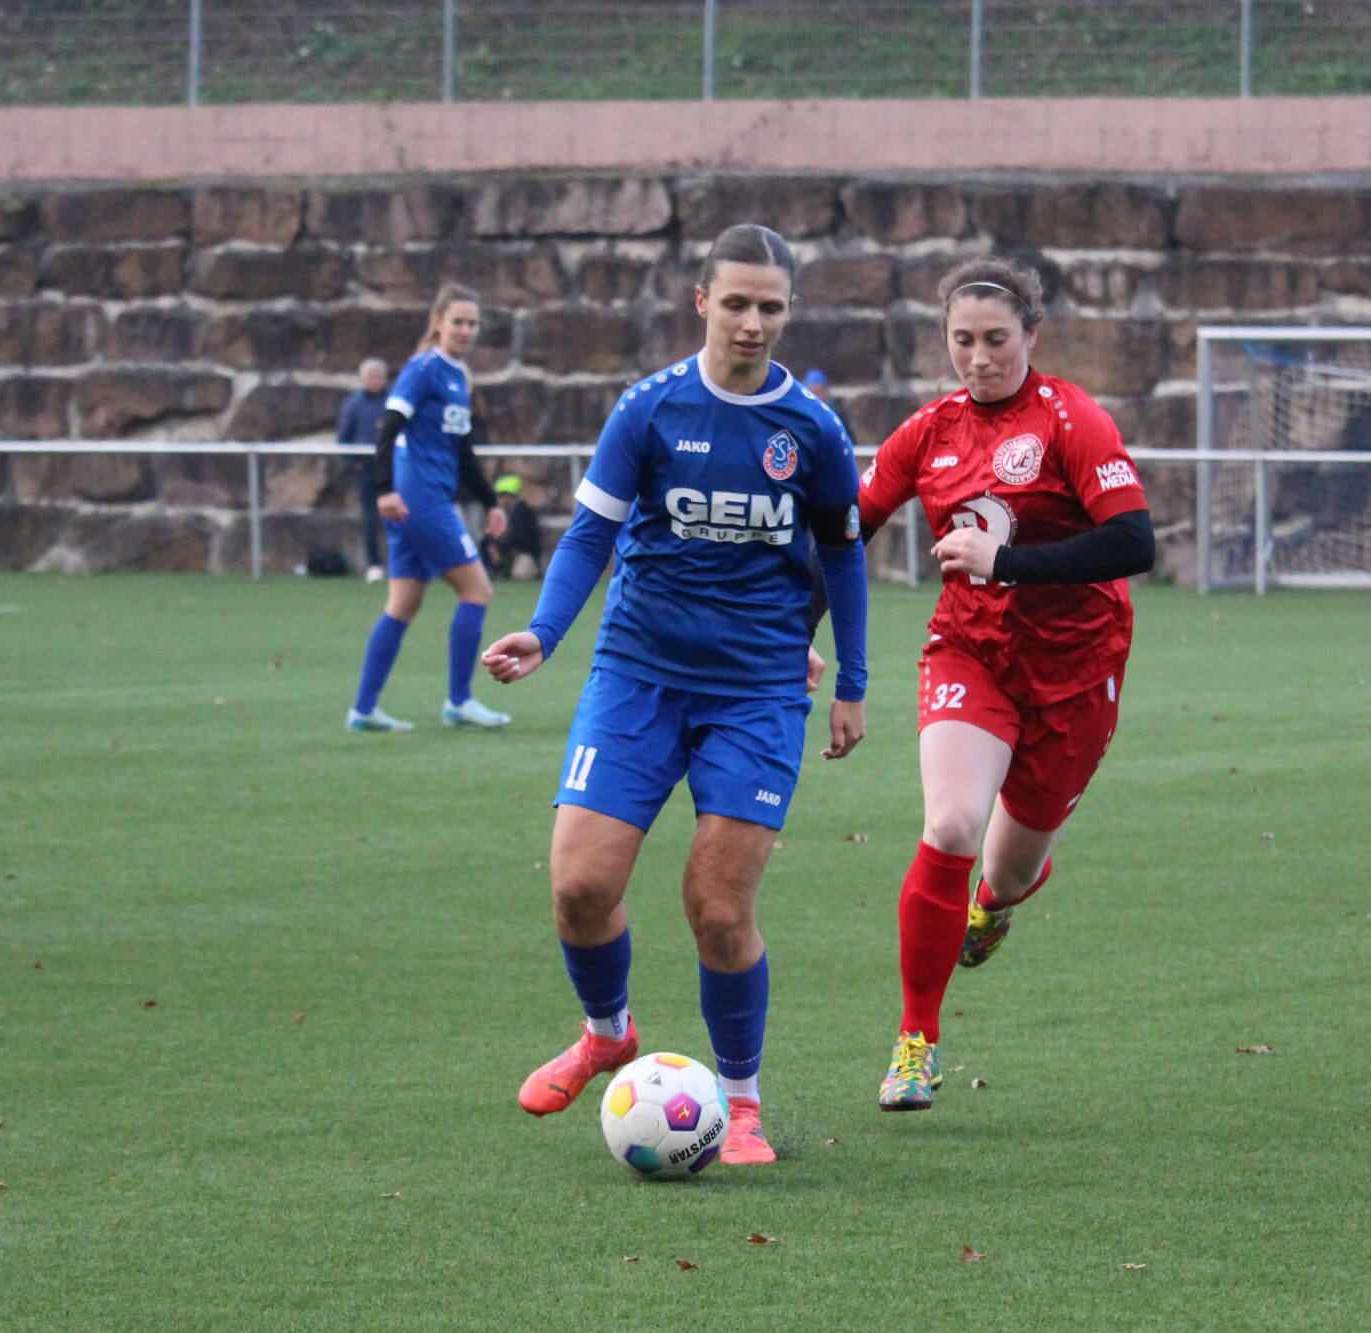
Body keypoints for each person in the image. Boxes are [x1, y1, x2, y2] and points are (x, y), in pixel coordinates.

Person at [480, 223, 869, 1166]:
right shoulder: (648, 409)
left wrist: (852, 679)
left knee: (719, 907)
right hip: (636, 676)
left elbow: (844, 557)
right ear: (701, 301)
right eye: (735, 303)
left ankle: (741, 1102)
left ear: (789, 311)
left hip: (757, 691)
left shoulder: (813, 430)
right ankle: (607, 1032)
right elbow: (589, 534)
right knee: (580, 885)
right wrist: (545, 630)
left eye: (770, 306)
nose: (752, 323)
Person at [854, 256, 1155, 1111]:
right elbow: (846, 532)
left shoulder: (1071, 419)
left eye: (996, 339)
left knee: (1009, 868)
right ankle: (916, 1042)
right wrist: (795, 635)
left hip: (1077, 670)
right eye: (963, 340)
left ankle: (998, 899)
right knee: (951, 822)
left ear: (1031, 335)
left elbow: (1134, 540)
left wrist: (1008, 561)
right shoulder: (927, 431)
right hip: (971, 650)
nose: (979, 357)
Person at [344, 283, 511, 732]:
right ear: (438, 323)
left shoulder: (458, 375)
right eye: (458, 322)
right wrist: (384, 489)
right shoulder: (423, 370)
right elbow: (388, 427)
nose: (466, 330)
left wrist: (489, 500)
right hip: (419, 501)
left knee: (402, 604)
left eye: (473, 323)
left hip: (419, 501)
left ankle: (363, 709)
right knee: (478, 591)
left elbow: (462, 449)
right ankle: (459, 701)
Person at [337, 357, 389, 582]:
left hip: (392, 467)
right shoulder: (354, 404)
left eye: (379, 377)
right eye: (371, 377)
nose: (376, 381)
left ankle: (399, 562)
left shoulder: (393, 401)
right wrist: (353, 462)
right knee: (370, 515)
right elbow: (344, 436)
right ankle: (373, 563)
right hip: (366, 468)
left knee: (397, 515)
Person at [481, 474, 543, 580]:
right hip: (508, 553)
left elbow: (519, 538)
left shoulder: (522, 512)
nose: (498, 499)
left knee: (519, 574)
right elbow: (489, 535)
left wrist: (501, 549)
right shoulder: (502, 512)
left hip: (523, 553)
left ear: (508, 496)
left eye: (501, 495)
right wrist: (494, 547)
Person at [803, 367, 853, 442]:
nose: (818, 396)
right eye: (814, 392)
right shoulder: (801, 416)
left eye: (821, 391)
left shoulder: (837, 415)